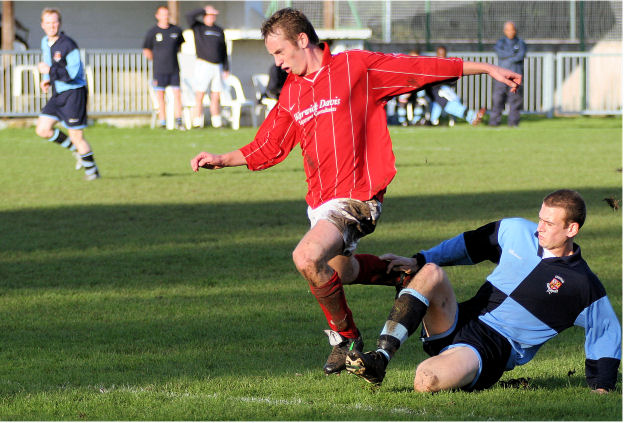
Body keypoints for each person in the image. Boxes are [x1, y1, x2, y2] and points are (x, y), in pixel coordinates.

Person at [190, 8, 522, 375]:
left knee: (306, 257)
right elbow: (268, 145)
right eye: (273, 55)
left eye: (280, 52)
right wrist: (222, 158)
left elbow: (417, 69)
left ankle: (345, 338)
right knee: (338, 271)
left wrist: (487, 68)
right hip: (320, 203)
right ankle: (399, 274)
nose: (278, 61)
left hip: (356, 198)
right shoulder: (294, 92)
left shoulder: (355, 67)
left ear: (302, 40)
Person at [346, 189, 621, 393]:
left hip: (489, 348)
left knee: (425, 380)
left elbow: (607, 330)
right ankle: (379, 359)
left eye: (549, 224)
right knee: (428, 270)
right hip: (459, 319)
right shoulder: (515, 231)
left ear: (572, 229)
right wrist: (418, 259)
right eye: (540, 219)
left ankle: (451, 365)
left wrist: (601, 386)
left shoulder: (583, 285)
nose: (539, 228)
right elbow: (471, 244)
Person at [35, 8, 100, 181]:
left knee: (76, 136)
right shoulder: (44, 42)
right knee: (42, 129)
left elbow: (72, 74)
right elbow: (49, 64)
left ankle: (93, 173)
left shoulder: (69, 45)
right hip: (58, 93)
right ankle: (78, 153)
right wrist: (46, 79)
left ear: (60, 23)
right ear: (42, 25)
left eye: (54, 22)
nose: (51, 26)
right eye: (48, 23)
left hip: (74, 93)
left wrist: (49, 70)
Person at [143, 5, 185, 130]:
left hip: (174, 69)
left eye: (167, 14)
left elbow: (180, 46)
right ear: (157, 16)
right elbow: (146, 50)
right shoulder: (152, 32)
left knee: (177, 94)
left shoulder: (176, 30)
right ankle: (163, 122)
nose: (165, 17)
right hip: (159, 70)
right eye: (162, 14)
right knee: (160, 95)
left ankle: (179, 121)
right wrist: (158, 60)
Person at [186, 5, 229, 128]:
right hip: (203, 65)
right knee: (200, 94)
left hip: (218, 66)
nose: (211, 17)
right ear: (205, 16)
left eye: (213, 15)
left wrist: (226, 67)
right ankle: (197, 121)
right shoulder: (198, 27)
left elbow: (224, 50)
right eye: (209, 15)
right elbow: (189, 16)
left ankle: (217, 121)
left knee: (216, 94)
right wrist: (204, 10)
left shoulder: (219, 30)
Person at [425, 46, 485, 126]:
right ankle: (472, 117)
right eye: (440, 54)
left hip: (445, 91)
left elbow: (453, 81)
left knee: (450, 99)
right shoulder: (432, 66)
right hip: (434, 91)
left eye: (443, 54)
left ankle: (472, 117)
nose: (442, 57)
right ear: (436, 54)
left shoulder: (448, 65)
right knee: (444, 99)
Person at [489, 21, 526, 127]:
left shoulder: (520, 43)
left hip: (515, 77)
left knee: (515, 101)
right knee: (497, 100)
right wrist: (512, 54)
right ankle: (494, 122)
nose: (510, 32)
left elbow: (520, 56)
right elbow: (500, 53)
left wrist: (508, 56)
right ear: (504, 31)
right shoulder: (501, 42)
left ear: (515, 30)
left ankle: (513, 123)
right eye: (508, 29)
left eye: (512, 29)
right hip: (501, 77)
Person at [394, 49, 429, 126]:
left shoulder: (421, 69)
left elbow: (421, 83)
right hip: (405, 91)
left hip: (416, 92)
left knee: (421, 95)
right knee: (402, 97)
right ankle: (402, 121)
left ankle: (416, 121)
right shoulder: (404, 68)